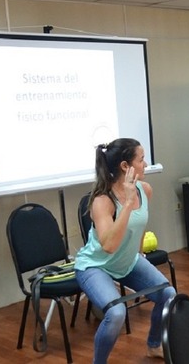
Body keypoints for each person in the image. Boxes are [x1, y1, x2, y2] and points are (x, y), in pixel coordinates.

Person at [75, 138, 175, 363]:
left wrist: (138, 253)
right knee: (116, 313)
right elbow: (109, 246)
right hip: (95, 266)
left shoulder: (145, 190)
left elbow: (139, 226)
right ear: (125, 166)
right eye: (141, 159)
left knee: (168, 295)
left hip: (127, 261)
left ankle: (153, 345)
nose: (146, 164)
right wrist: (128, 204)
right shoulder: (103, 201)